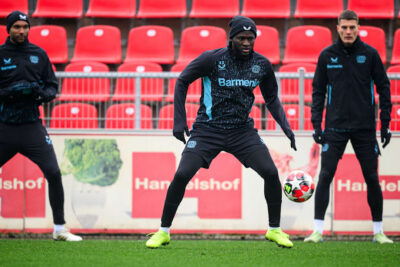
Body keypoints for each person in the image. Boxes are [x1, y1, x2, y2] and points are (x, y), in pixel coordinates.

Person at [146, 16, 297, 249]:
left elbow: (272, 98)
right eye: (241, 38)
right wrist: (179, 120)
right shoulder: (212, 59)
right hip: (208, 129)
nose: (247, 42)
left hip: (242, 131)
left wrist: (286, 127)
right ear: (231, 38)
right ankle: (163, 231)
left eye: (250, 38)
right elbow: (182, 80)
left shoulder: (262, 65)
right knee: (182, 174)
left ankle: (275, 230)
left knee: (270, 171)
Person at [305, 10, 393, 244]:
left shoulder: (370, 55)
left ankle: (378, 232)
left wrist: (385, 124)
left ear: (358, 27)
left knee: (372, 178)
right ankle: (317, 231)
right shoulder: (327, 56)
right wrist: (316, 123)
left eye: (352, 27)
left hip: (364, 129)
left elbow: (384, 88)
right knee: (325, 176)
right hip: (335, 128)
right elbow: (318, 91)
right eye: (344, 27)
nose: (348, 31)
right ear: (338, 28)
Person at [0, 11, 82, 241]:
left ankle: (59, 229)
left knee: (54, 172)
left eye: (25, 27)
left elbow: (52, 88)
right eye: (16, 27)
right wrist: (9, 92)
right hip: (4, 126)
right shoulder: (1, 54)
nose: (21, 31)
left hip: (31, 127)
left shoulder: (39, 54)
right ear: (9, 29)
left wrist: (40, 95)